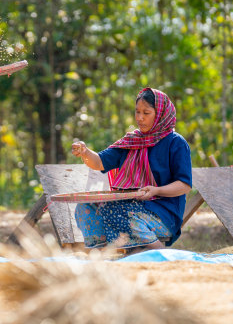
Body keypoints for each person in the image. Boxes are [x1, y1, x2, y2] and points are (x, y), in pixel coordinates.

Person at [71, 87, 192, 252]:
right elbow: (99, 162)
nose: (140, 118)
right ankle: (101, 255)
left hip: (164, 215)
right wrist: (85, 152)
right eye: (137, 112)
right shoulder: (132, 141)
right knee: (84, 207)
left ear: (161, 114)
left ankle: (160, 253)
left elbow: (184, 185)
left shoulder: (175, 143)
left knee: (116, 211)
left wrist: (156, 190)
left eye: (146, 113)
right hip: (129, 208)